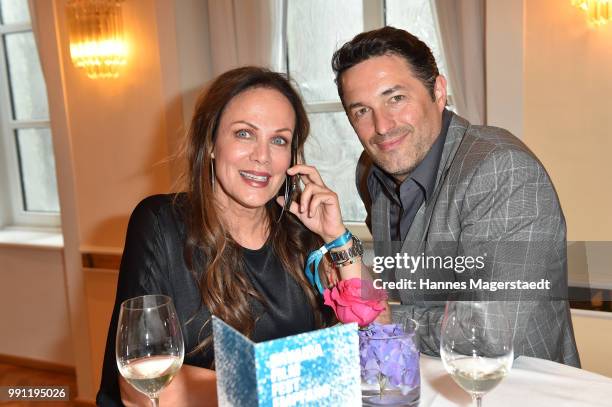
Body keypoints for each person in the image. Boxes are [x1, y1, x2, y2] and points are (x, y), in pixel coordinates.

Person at [96, 67, 369, 406]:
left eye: (279, 140)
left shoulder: (301, 232)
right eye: (244, 134)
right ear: (210, 143)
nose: (262, 156)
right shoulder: (160, 223)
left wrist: (338, 237)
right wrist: (289, 380)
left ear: (292, 157)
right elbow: (143, 383)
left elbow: (374, 333)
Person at [331, 26, 580, 367]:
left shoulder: (501, 169)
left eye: (395, 98)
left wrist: (383, 318)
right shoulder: (372, 172)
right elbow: (408, 279)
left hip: (520, 389)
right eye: (361, 111)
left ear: (438, 91)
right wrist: (338, 250)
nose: (382, 126)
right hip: (427, 381)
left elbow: (495, 330)